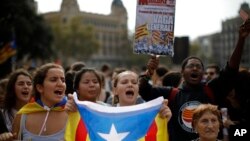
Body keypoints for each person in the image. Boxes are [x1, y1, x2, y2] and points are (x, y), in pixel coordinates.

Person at [139, 19, 250, 141]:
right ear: (182, 72)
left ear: (202, 73)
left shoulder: (211, 89)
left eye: (199, 67)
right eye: (191, 66)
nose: (195, 68)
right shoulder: (171, 94)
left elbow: (231, 71)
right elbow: (143, 90)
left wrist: (241, 39)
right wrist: (149, 72)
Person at [65, 69, 172, 140]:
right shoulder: (102, 115)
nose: (130, 85)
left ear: (138, 89)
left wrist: (164, 120)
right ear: (115, 90)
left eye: (134, 83)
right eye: (124, 82)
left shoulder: (152, 116)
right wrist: (74, 112)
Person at [11, 63, 68, 140]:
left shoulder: (72, 115)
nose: (61, 84)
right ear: (40, 88)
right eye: (53, 80)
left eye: (63, 80)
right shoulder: (22, 116)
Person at [0, 69, 33, 140]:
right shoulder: (2, 115)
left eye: (29, 84)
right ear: (12, 89)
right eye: (21, 84)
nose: (26, 87)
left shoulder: (39, 113)